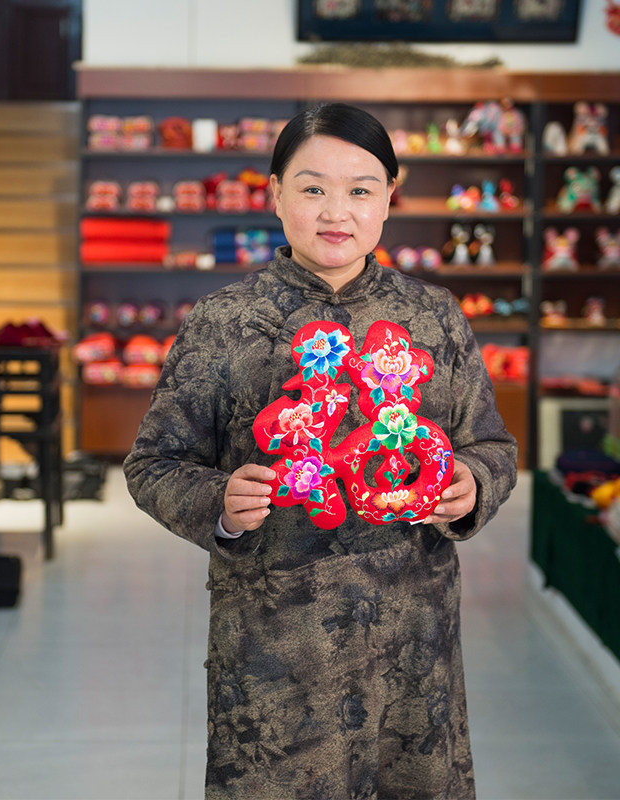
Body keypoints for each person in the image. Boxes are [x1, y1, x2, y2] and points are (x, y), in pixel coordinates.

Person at [124, 103, 517, 800]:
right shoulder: (225, 321)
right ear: (276, 194)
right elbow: (154, 463)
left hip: (412, 639)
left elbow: (491, 444)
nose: (337, 212)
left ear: (389, 197)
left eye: (361, 189)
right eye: (312, 189)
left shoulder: (433, 316)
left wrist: (472, 485)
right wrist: (219, 504)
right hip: (275, 641)